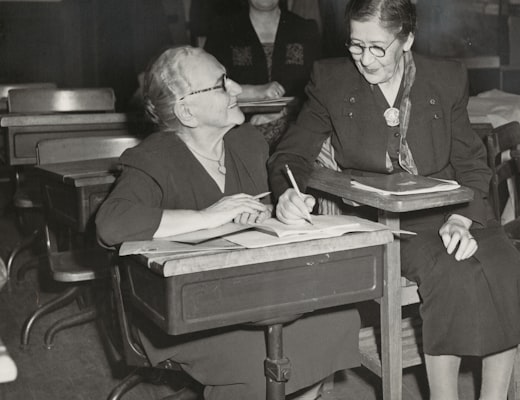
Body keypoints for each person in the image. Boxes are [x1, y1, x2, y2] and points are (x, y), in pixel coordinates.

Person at [268, 1, 520, 399]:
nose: (364, 59)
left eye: (378, 47)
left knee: (506, 267)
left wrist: (461, 218)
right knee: (453, 275)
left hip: (454, 208)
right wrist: (287, 193)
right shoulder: (330, 80)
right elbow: (290, 155)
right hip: (384, 221)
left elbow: (469, 160)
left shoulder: (445, 78)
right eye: (355, 45)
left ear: (407, 40)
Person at [95, 46, 360, 400]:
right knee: (262, 359)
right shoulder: (153, 158)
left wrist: (282, 208)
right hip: (185, 312)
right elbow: (111, 223)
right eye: (222, 84)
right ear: (187, 111)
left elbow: (267, 203)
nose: (237, 89)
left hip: (253, 295)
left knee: (334, 319)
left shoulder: (246, 141)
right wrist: (207, 217)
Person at [204, 0, 321, 150]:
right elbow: (209, 88)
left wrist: (283, 113)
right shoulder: (223, 30)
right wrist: (255, 91)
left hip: (295, 127)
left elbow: (319, 89)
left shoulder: (305, 29)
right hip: (237, 129)